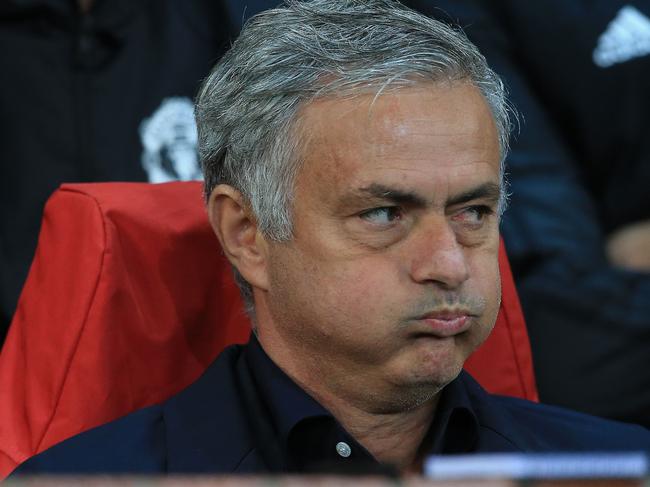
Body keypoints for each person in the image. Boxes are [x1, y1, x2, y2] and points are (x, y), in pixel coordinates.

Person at [13, 0, 650, 477]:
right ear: (247, 233)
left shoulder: (619, 468)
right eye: (384, 214)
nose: (449, 263)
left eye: (474, 212)